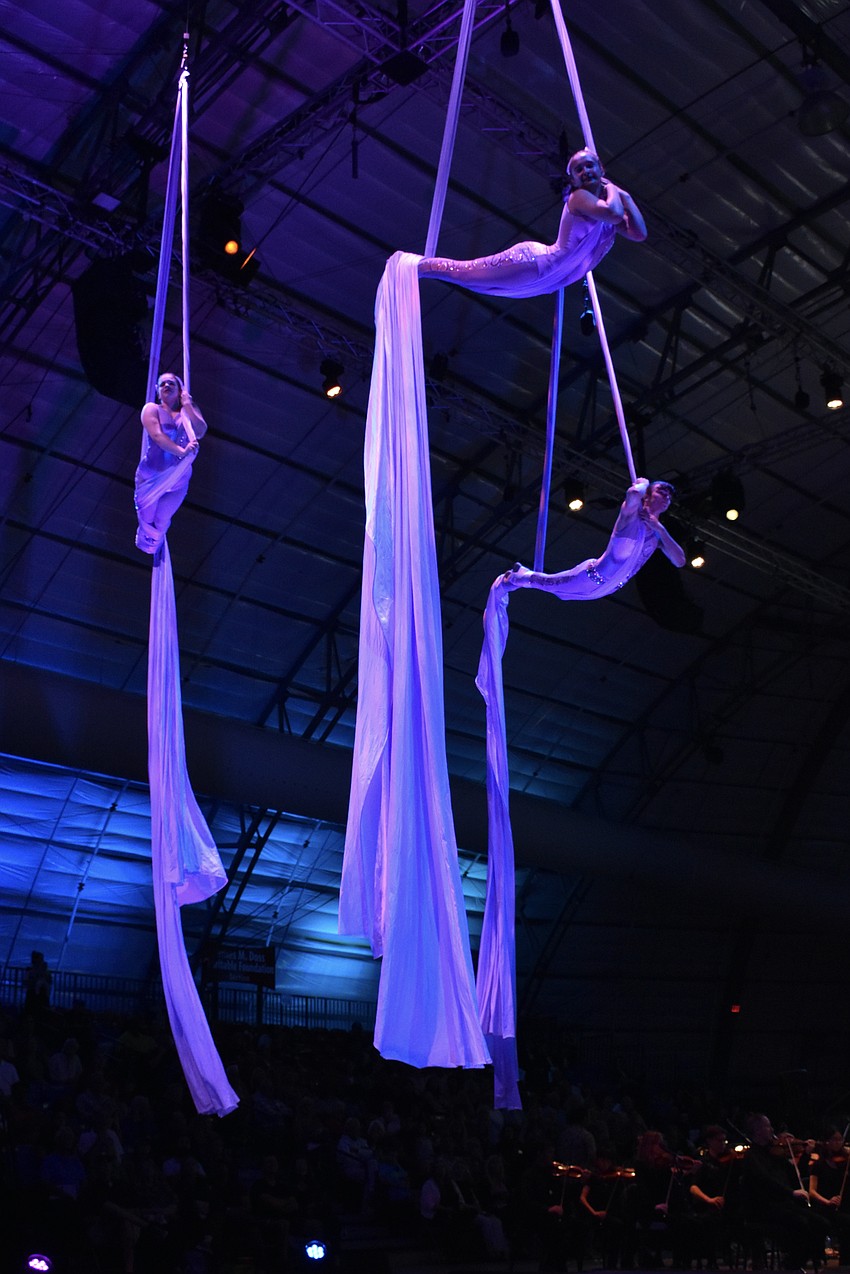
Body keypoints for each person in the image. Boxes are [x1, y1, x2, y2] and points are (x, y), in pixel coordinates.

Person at [418, 148, 646, 298]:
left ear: (600, 169)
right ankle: (412, 267)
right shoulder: (580, 198)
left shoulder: (605, 213)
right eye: (579, 169)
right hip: (535, 264)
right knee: (463, 274)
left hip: (549, 280)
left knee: (471, 283)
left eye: (589, 166)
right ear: (573, 179)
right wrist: (614, 189)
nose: (585, 171)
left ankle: (418, 270)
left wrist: (628, 198)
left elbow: (638, 233)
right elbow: (615, 214)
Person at [500, 477, 685, 601]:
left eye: (670, 495)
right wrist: (643, 483)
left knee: (559, 592)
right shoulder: (631, 515)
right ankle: (519, 577)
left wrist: (658, 527)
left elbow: (680, 561)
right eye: (662, 490)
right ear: (648, 496)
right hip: (593, 576)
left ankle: (520, 576)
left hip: (610, 587)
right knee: (552, 586)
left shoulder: (658, 535)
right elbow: (633, 494)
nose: (667, 495)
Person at [134, 372, 207, 554]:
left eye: (171, 383)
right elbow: (158, 437)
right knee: (147, 520)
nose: (167, 385)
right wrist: (182, 451)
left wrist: (188, 405)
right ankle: (147, 545)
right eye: (162, 384)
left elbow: (200, 431)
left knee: (161, 522)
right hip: (151, 478)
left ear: (180, 389)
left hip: (178, 481)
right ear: (158, 391)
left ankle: (156, 547)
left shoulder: (187, 412)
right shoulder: (151, 409)